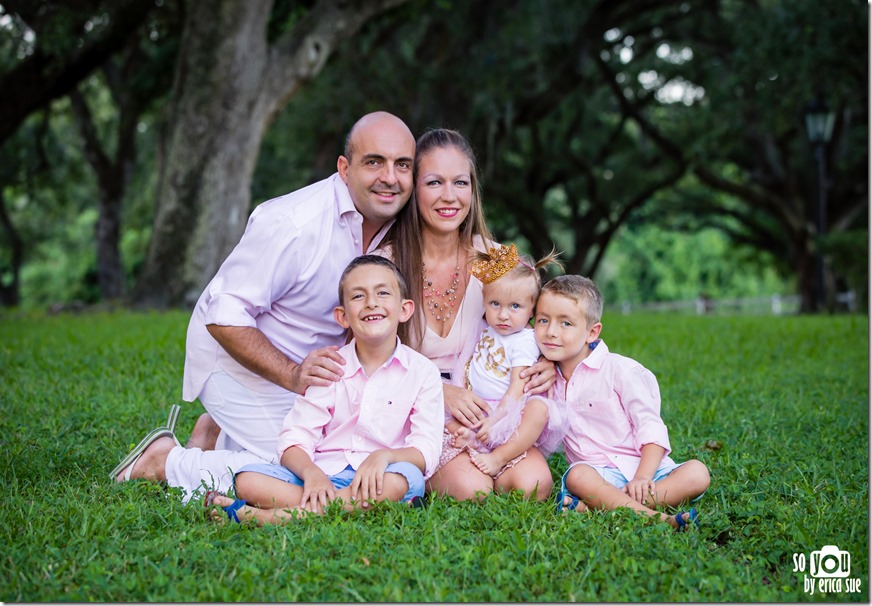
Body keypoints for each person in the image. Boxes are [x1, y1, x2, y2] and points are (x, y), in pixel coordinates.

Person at [110, 112, 417, 501]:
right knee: (310, 465)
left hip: (316, 377)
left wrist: (512, 267)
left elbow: (471, 241)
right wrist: (291, 375)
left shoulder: (398, 220)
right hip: (238, 363)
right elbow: (223, 316)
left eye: (402, 165)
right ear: (344, 168)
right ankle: (165, 461)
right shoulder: (293, 223)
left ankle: (219, 435)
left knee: (358, 445)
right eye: (374, 162)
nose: (390, 177)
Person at [382, 128, 556, 501]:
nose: (449, 196)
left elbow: (545, 320)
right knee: (472, 492)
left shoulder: (499, 262)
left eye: (460, 182)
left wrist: (547, 361)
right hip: (418, 406)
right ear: (414, 188)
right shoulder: (387, 263)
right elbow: (369, 356)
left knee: (533, 487)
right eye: (434, 182)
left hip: (490, 408)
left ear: (472, 190)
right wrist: (439, 389)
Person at [207, 255, 444, 524]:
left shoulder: (422, 372)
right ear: (342, 316)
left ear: (405, 309)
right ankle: (347, 506)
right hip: (325, 472)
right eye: (358, 296)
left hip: (382, 475)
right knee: (248, 480)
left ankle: (270, 517)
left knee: (404, 479)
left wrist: (384, 456)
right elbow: (295, 438)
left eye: (382, 293)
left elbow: (426, 448)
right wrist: (311, 473)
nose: (371, 303)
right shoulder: (330, 367)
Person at [533, 275, 711, 530]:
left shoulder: (621, 371)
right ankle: (659, 520)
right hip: (597, 476)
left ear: (592, 332)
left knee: (697, 472)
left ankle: (603, 507)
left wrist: (643, 477)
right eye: (543, 320)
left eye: (566, 323)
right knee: (577, 475)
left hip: (648, 472)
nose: (551, 331)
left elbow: (650, 427)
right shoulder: (545, 378)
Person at [444, 242, 566, 479]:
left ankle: (499, 457)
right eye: (495, 304)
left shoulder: (524, 341)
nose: (503, 315)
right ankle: (472, 438)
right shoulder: (485, 328)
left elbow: (517, 387)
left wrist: (497, 420)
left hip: (508, 409)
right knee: (448, 422)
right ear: (485, 302)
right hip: (480, 404)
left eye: (515, 307)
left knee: (538, 412)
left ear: (532, 310)